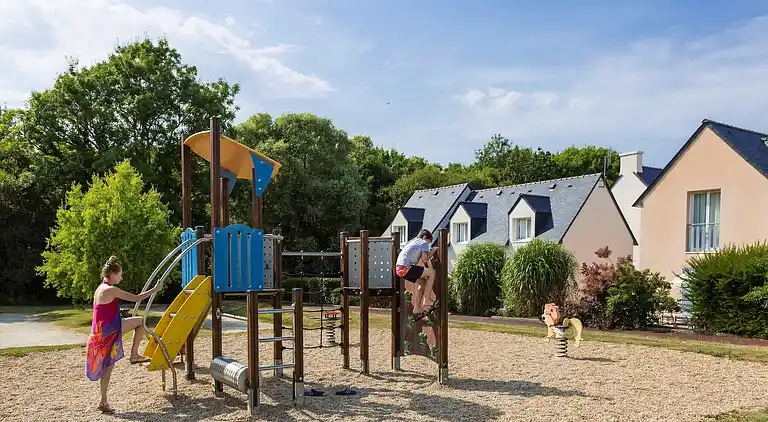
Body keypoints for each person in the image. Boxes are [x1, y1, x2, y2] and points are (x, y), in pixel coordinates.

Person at [86, 256, 163, 414]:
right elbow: (136, 299)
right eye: (120, 274)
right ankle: (134, 355)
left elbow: (102, 313)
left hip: (99, 332)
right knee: (140, 321)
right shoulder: (111, 289)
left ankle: (103, 401)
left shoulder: (100, 288)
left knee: (108, 366)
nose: (122, 277)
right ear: (113, 274)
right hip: (109, 331)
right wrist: (155, 290)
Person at [395, 229, 438, 315]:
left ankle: (417, 308)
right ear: (425, 237)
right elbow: (425, 259)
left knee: (423, 283)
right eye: (429, 242)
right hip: (406, 268)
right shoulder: (423, 242)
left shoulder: (413, 241)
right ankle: (427, 299)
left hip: (399, 269)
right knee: (432, 273)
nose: (428, 245)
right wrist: (433, 251)